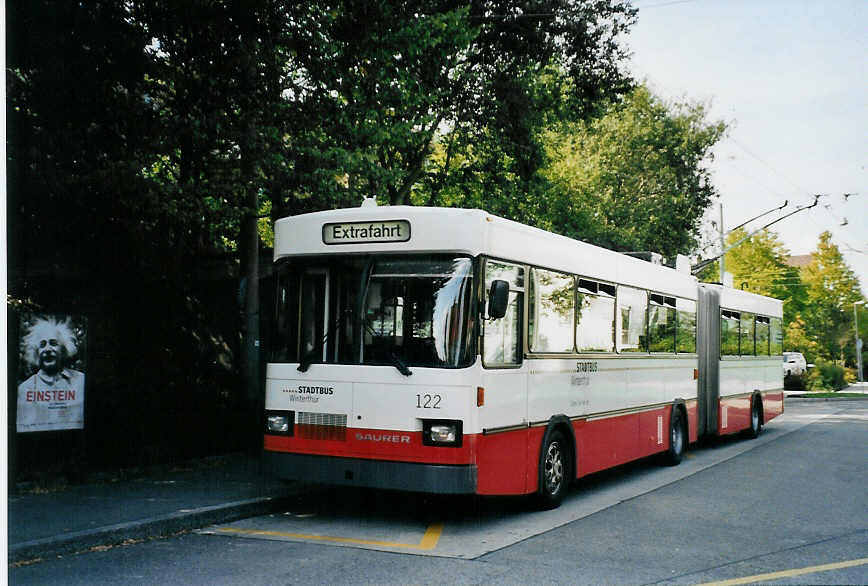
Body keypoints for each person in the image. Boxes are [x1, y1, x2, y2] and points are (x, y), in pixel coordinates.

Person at [17, 317, 85, 430]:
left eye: (53, 343)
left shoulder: (81, 381)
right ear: (36, 353)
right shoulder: (25, 389)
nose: (48, 349)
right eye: (42, 345)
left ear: (63, 350)